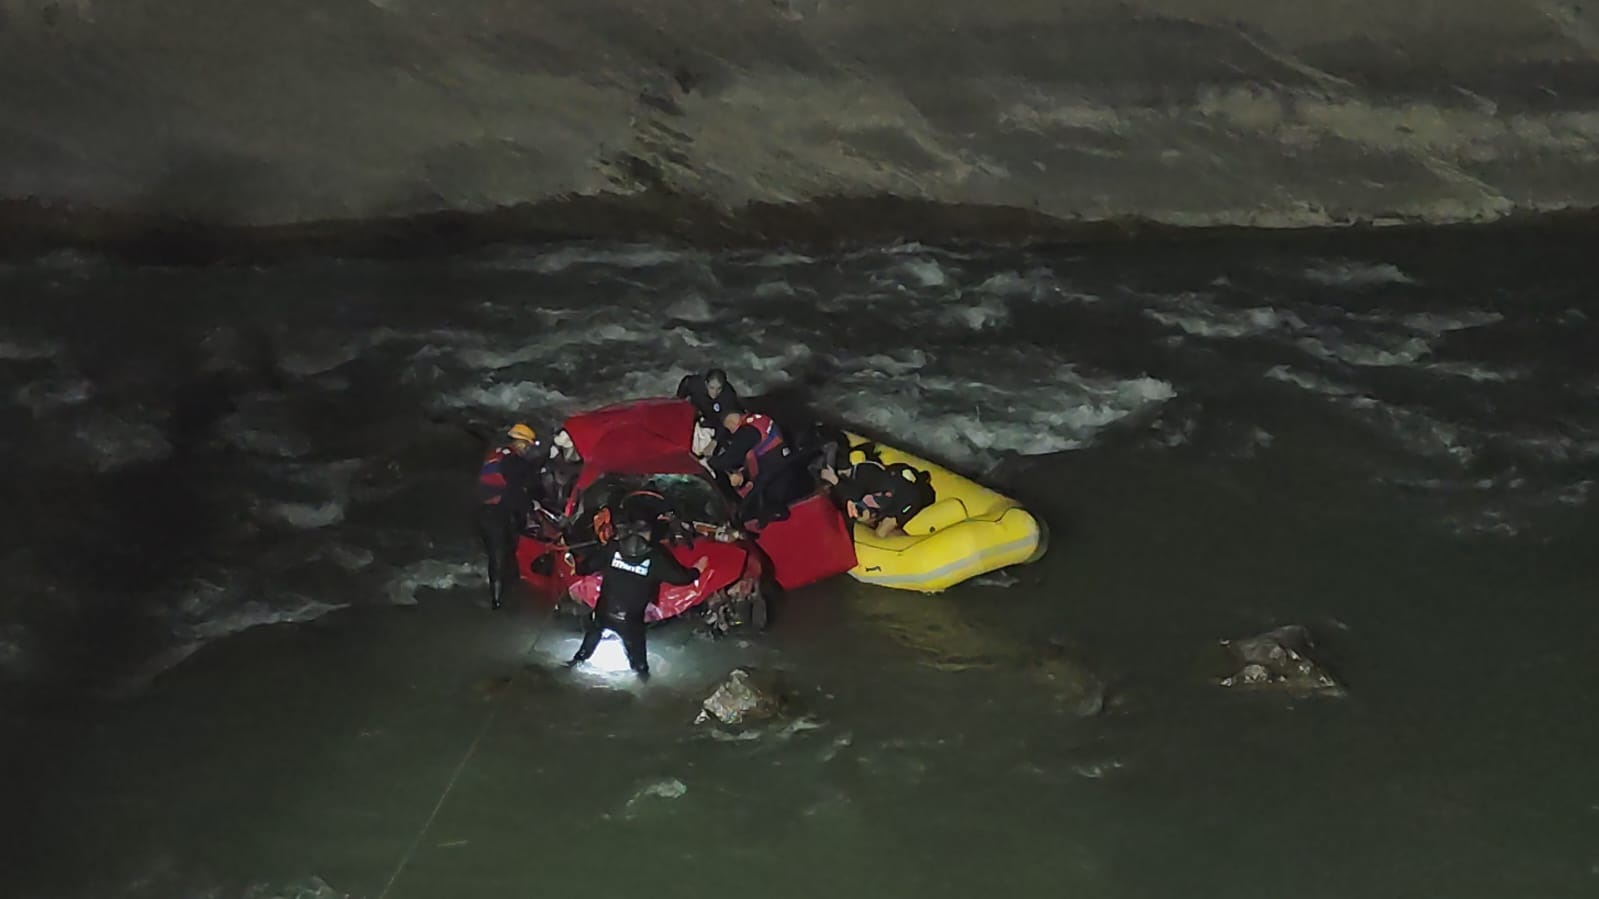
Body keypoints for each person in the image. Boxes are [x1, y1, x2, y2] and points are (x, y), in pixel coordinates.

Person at [565, 521, 705, 680]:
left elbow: (584, 568)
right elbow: (681, 578)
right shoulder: (656, 557)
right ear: (649, 535)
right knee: (640, 668)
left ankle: (570, 666)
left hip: (602, 614)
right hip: (631, 622)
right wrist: (697, 570)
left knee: (584, 652)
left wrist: (575, 560)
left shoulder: (612, 549)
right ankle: (644, 686)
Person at [477, 423, 544, 609]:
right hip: (497, 512)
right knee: (500, 554)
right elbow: (516, 490)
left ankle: (500, 595)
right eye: (528, 445)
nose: (528, 449)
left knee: (500, 554)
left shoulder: (498, 453)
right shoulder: (512, 461)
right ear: (520, 443)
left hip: (487, 511)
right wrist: (532, 508)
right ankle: (498, 599)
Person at [707, 410, 797, 526]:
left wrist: (711, 461)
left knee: (752, 499)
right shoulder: (757, 419)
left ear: (731, 422)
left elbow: (731, 459)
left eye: (729, 429)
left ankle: (744, 519)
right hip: (782, 458)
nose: (732, 433)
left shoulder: (748, 432)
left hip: (772, 467)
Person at [821, 458, 935, 539]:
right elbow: (851, 489)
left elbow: (882, 531)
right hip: (895, 474)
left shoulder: (907, 500)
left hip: (912, 496)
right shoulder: (870, 477)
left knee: (881, 531)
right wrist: (836, 482)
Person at [676, 368, 743, 434]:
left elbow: (726, 425)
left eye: (719, 388)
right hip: (696, 409)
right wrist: (679, 399)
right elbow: (685, 384)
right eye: (712, 388)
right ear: (706, 384)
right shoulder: (694, 383)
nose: (715, 392)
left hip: (714, 421)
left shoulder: (729, 396)